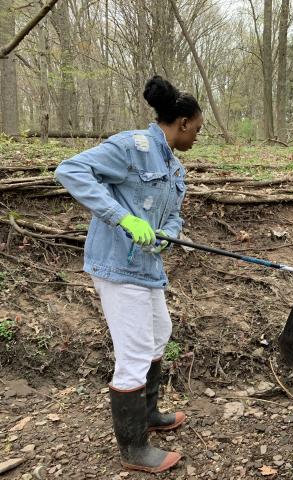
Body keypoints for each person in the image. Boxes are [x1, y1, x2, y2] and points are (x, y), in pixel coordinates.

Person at [55, 76, 203, 473]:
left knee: (159, 335)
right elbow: (71, 171)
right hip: (117, 266)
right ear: (184, 122)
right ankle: (133, 448)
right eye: (197, 130)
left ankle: (150, 413)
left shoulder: (174, 167)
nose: (196, 138)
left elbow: (172, 214)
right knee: (135, 352)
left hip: (147, 266)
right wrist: (121, 217)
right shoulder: (131, 147)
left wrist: (168, 234)